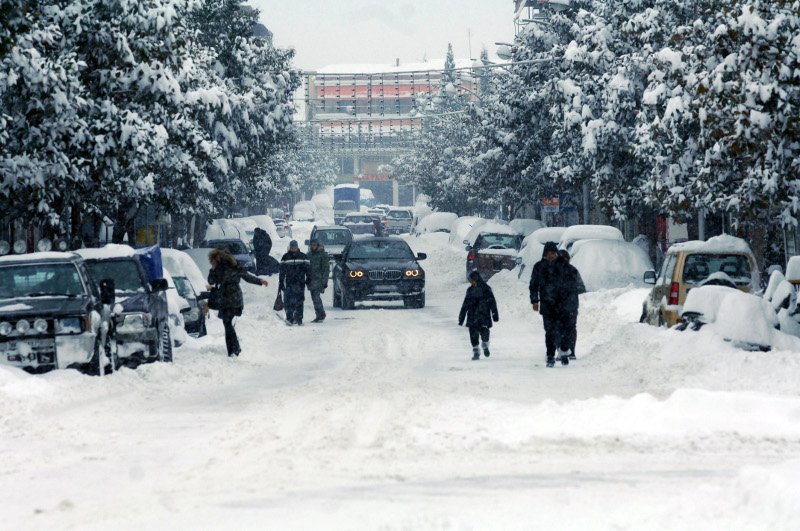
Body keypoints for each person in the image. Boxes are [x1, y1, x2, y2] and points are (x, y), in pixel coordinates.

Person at [207, 248, 268, 357]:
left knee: (227, 323)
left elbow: (211, 281)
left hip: (227, 299)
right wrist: (260, 281)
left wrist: (213, 269)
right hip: (235, 299)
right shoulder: (235, 266)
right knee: (227, 323)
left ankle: (234, 349)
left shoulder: (221, 268)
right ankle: (234, 349)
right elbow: (247, 277)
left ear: (217, 258)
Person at [529, 241, 577, 367]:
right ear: (544, 254)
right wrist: (534, 300)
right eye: (548, 253)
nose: (551, 255)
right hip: (547, 305)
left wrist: (571, 299)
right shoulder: (539, 267)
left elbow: (573, 282)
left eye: (553, 253)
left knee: (564, 330)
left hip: (563, 305)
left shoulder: (564, 265)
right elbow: (533, 285)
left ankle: (564, 351)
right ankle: (550, 355)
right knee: (549, 331)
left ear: (556, 253)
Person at [458, 270, 499, 360]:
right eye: (470, 281)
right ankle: (476, 351)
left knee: (485, 333)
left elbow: (492, 302)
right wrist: (461, 318)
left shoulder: (486, 289)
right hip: (472, 316)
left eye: (472, 280)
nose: (471, 282)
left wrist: (495, 314)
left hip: (484, 315)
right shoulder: (470, 290)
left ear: (476, 279)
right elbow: (465, 304)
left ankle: (485, 345)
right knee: (473, 335)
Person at [558, 249, 586, 360]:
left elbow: (581, 287)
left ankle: (571, 352)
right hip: (559, 306)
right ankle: (563, 351)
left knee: (569, 328)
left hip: (570, 305)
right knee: (560, 328)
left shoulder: (573, 271)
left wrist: (570, 290)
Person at [279, 240, 310, 325]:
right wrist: (281, 281)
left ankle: (299, 318)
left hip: (300, 282)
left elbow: (308, 269)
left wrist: (308, 278)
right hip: (289, 282)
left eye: (295, 247)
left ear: (297, 247)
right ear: (290, 247)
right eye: (292, 247)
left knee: (300, 301)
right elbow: (282, 271)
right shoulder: (285, 257)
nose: (294, 248)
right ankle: (290, 318)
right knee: (289, 301)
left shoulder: (303, 256)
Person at [307, 238, 330, 323]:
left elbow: (326, 269)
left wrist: (325, 281)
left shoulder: (322, 255)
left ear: (318, 245)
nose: (313, 246)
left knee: (316, 298)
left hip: (319, 280)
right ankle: (320, 314)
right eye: (311, 245)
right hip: (311, 280)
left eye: (314, 245)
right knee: (314, 298)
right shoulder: (309, 255)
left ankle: (320, 314)